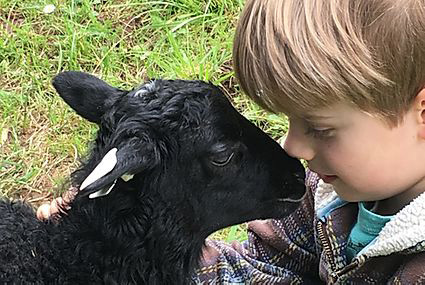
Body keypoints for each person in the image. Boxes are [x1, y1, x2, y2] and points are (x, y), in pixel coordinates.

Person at [39, 0, 425, 283]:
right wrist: (133, 261)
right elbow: (268, 266)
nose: (291, 147)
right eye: (289, 121)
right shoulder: (327, 193)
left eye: (320, 128)